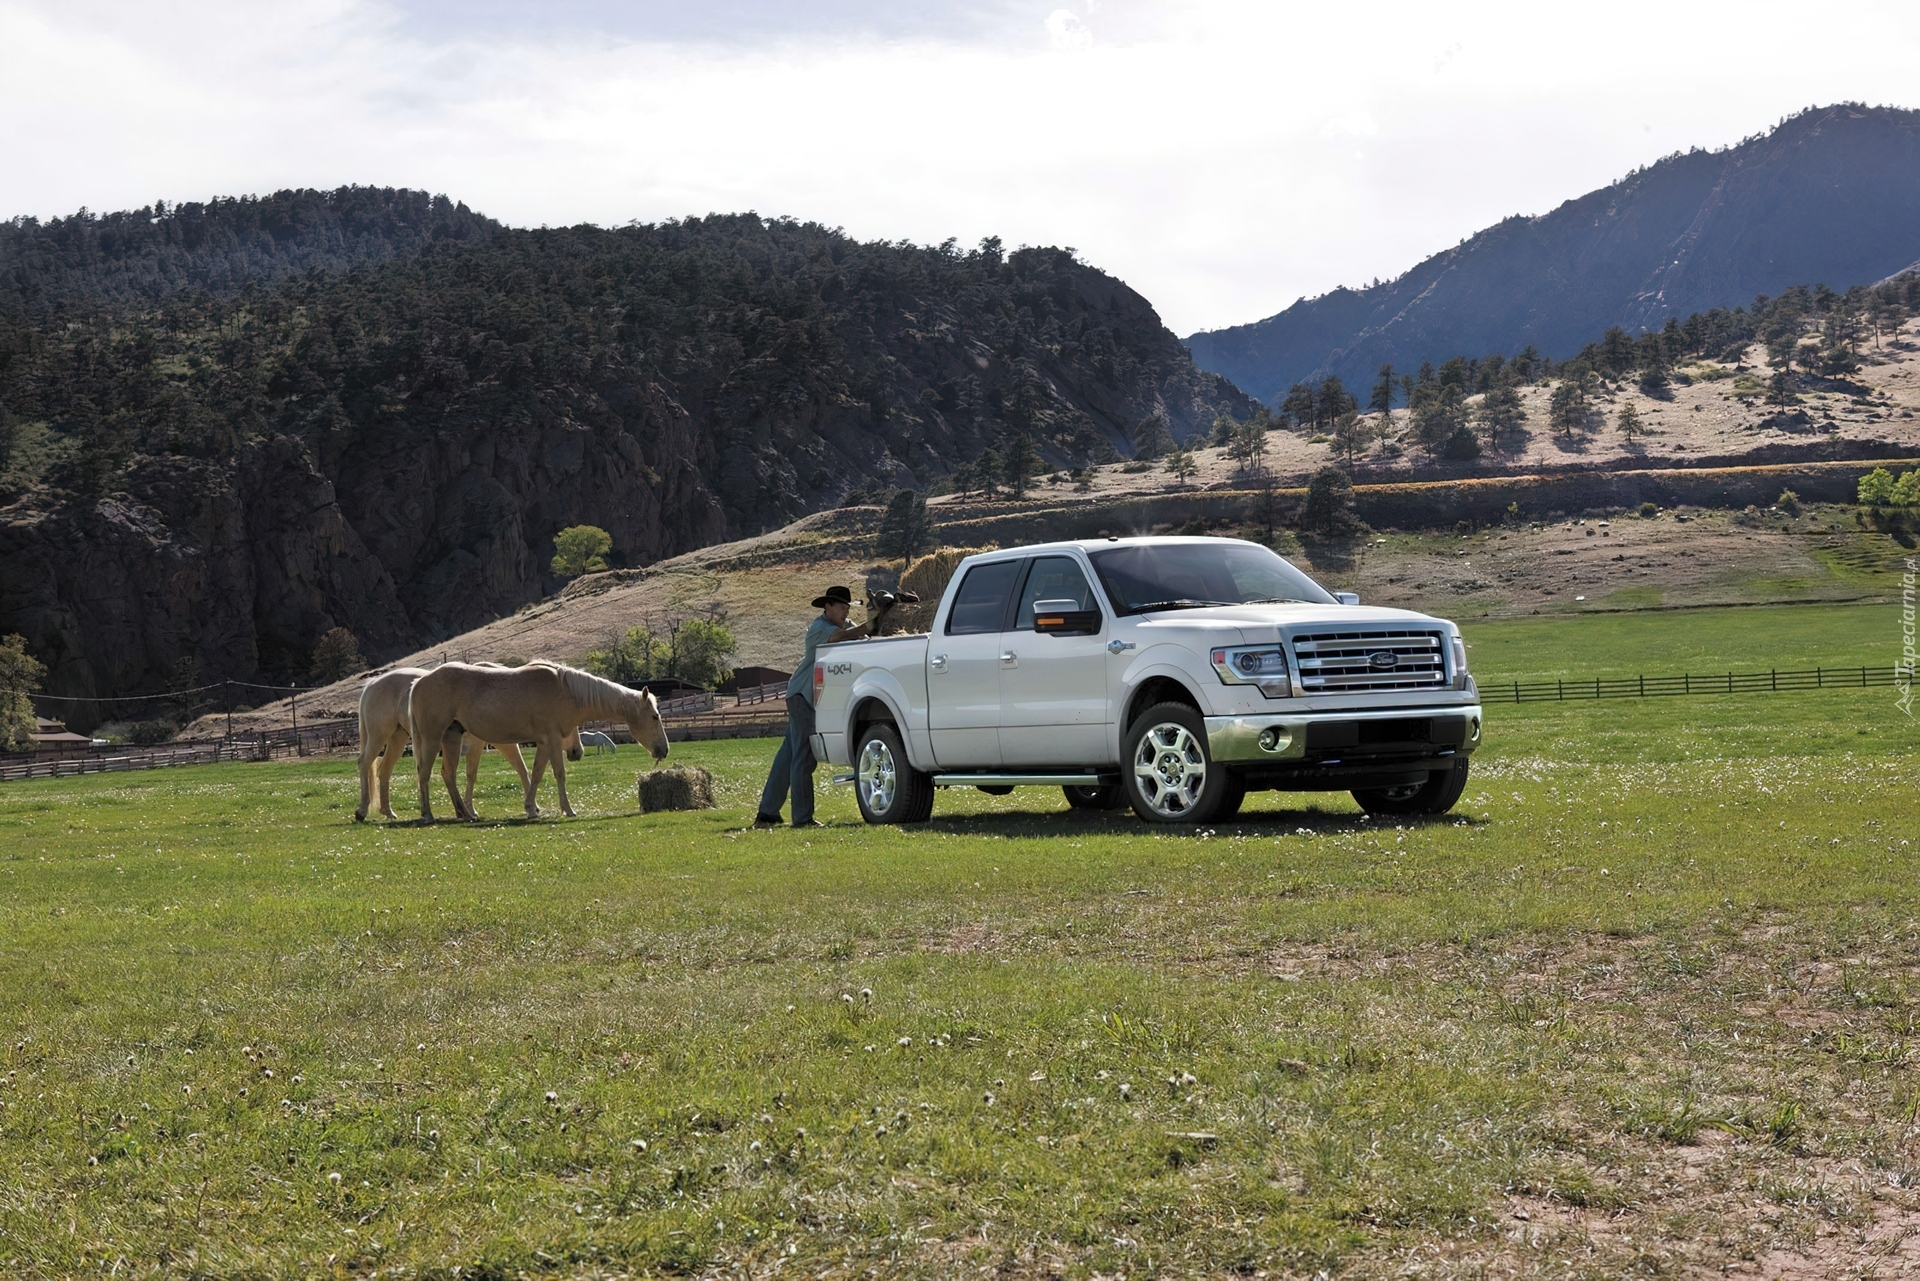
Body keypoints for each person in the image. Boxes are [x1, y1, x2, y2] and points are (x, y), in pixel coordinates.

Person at [754, 584, 890, 828]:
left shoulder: (844, 626)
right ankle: (802, 818)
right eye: (841, 607)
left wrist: (876, 621)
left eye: (848, 607)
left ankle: (767, 813)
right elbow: (840, 638)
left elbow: (862, 636)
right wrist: (867, 625)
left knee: (788, 757)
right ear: (827, 607)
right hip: (803, 698)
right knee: (804, 758)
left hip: (803, 697)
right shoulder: (819, 628)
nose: (845, 612)